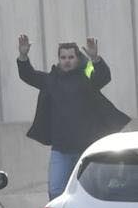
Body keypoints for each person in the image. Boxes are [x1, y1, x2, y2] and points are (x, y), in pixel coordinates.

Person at [17, 34, 129, 199]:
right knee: (56, 192)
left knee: (90, 193)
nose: (67, 61)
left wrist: (95, 58)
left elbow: (103, 77)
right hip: (60, 150)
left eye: (71, 57)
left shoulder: (86, 76)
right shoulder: (51, 80)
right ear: (58, 60)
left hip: (86, 150)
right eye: (63, 57)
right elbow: (29, 75)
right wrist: (23, 56)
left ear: (77, 59)